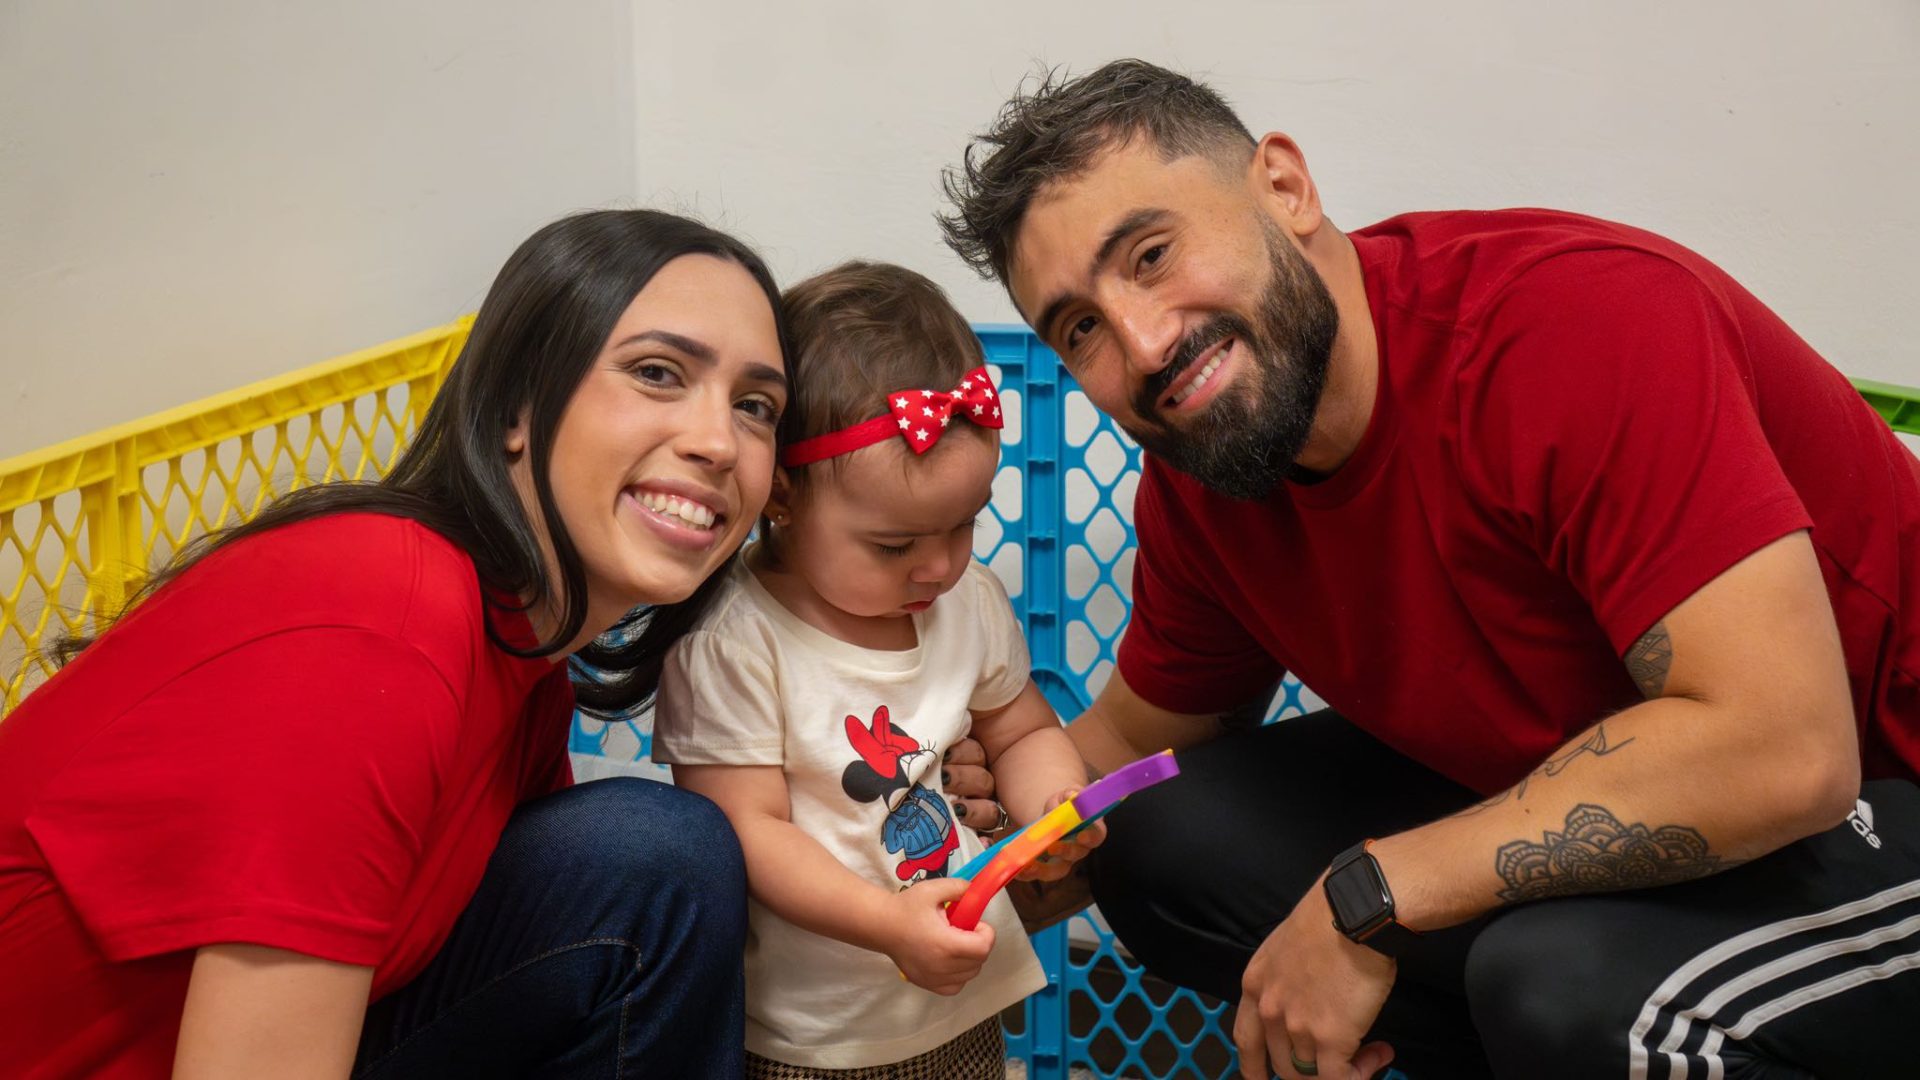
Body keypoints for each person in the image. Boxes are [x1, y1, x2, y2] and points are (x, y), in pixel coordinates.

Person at [938, 59, 1920, 1080]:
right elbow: (1131, 752)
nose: (1143, 346)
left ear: (1286, 188)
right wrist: (955, 864)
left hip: (1873, 797)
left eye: (1152, 254)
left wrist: (1374, 896)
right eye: (1082, 329)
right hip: (1641, 813)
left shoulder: (1574, 328)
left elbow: (1788, 752)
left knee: (1562, 987)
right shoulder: (1213, 470)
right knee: (1159, 837)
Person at [0, 209, 798, 1078]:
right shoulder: (380, 620)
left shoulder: (524, 663)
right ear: (517, 407)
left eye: (754, 407)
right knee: (652, 852)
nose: (719, 442)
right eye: (656, 373)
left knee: (648, 861)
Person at [652, 261, 1104, 1079]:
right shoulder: (732, 640)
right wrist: (887, 924)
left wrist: (1053, 803)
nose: (940, 566)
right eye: (895, 545)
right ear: (781, 497)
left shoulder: (967, 600)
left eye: (964, 524)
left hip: (962, 996)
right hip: (815, 1034)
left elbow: (1022, 730)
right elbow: (747, 830)